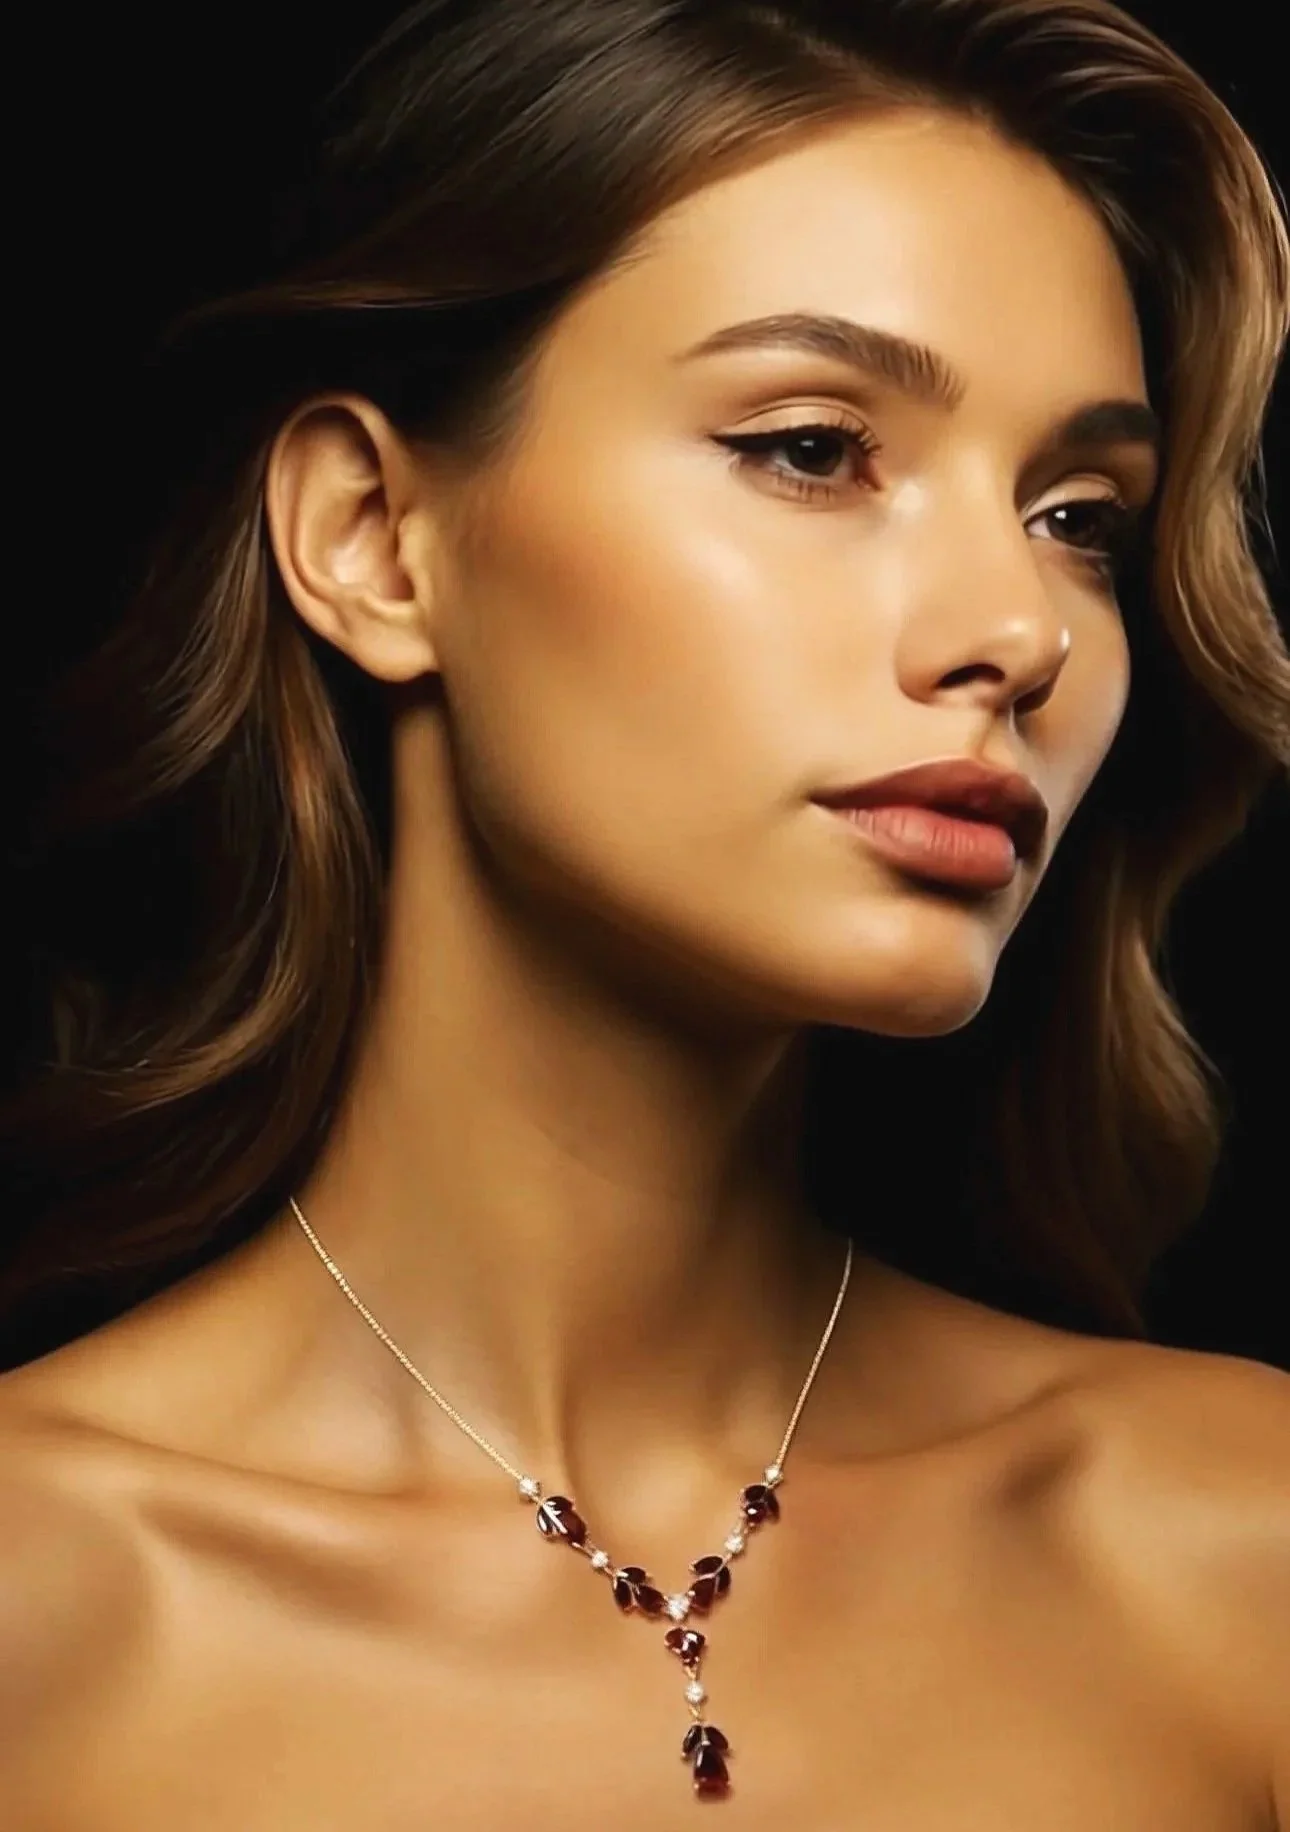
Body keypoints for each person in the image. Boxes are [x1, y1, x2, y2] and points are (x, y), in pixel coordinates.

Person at [2, 0, 1287, 1822]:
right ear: (373, 537)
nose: (1019, 630)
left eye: (1078, 512)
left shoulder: (1238, 1557)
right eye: (811, 448)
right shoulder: (41, 1620)